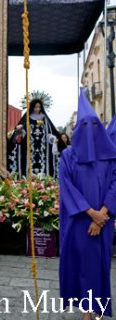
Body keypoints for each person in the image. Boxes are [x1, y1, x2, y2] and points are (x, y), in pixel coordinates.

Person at [59, 90, 116, 320]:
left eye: (94, 124)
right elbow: (67, 187)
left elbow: (115, 184)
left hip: (102, 219)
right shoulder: (67, 156)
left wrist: (102, 214)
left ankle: (98, 308)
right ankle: (87, 309)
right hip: (79, 220)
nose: (89, 129)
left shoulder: (110, 156)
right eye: (84, 124)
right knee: (81, 265)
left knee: (99, 264)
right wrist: (92, 213)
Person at [7, 98, 65, 178]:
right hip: (29, 150)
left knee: (43, 170)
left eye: (39, 107)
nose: (37, 109)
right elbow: (21, 136)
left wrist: (52, 139)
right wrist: (19, 130)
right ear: (32, 107)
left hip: (43, 151)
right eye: (35, 107)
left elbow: (50, 132)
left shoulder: (44, 119)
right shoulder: (27, 118)